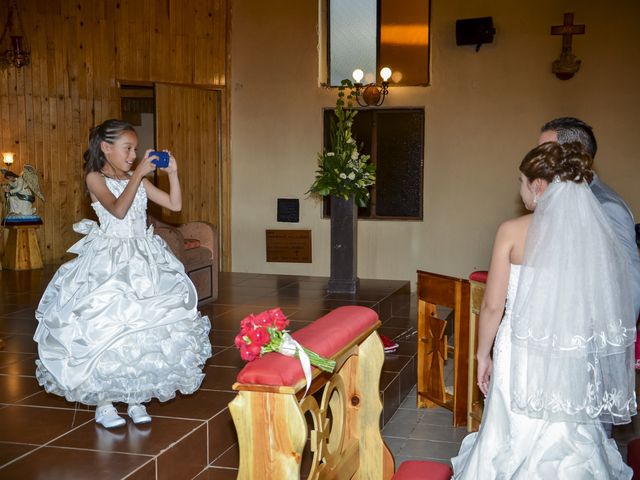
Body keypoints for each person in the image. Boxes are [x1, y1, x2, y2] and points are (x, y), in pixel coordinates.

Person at [452, 142, 636, 478]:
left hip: (520, 346)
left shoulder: (511, 231)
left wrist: (482, 355)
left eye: (521, 182)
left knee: (515, 428)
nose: (519, 190)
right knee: (565, 430)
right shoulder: (590, 234)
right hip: (569, 347)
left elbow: (493, 305)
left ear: (538, 187)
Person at [34, 119, 212, 429]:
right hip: (108, 259)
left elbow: (174, 203)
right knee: (107, 327)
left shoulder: (138, 178)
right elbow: (117, 210)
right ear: (106, 147)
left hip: (143, 257)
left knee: (143, 327)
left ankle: (135, 396)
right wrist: (139, 176)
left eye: (135, 150)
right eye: (128, 148)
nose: (133, 155)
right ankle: (104, 403)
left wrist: (173, 175)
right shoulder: (94, 178)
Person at [539, 117, 640, 319]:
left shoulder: (607, 206)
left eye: (545, 153)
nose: (538, 160)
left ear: (573, 155)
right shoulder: (557, 200)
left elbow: (631, 289)